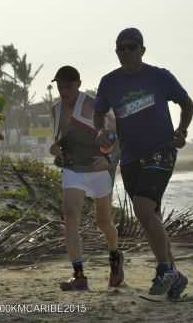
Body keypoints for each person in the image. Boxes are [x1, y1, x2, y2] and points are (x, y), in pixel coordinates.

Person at [93, 28, 193, 298]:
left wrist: (181, 131)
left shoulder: (159, 77)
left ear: (142, 50)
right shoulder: (109, 82)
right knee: (150, 217)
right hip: (130, 157)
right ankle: (175, 274)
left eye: (131, 47)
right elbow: (99, 113)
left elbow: (187, 103)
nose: (125, 52)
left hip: (161, 150)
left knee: (142, 207)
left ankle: (164, 270)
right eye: (120, 49)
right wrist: (100, 131)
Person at [49, 65, 124, 291]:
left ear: (78, 84)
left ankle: (115, 257)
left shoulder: (92, 106)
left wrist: (109, 160)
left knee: (103, 223)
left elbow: (118, 134)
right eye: (60, 86)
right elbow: (58, 141)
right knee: (70, 216)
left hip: (98, 170)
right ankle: (79, 275)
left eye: (68, 86)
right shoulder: (56, 110)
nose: (64, 91)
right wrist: (55, 149)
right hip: (73, 171)